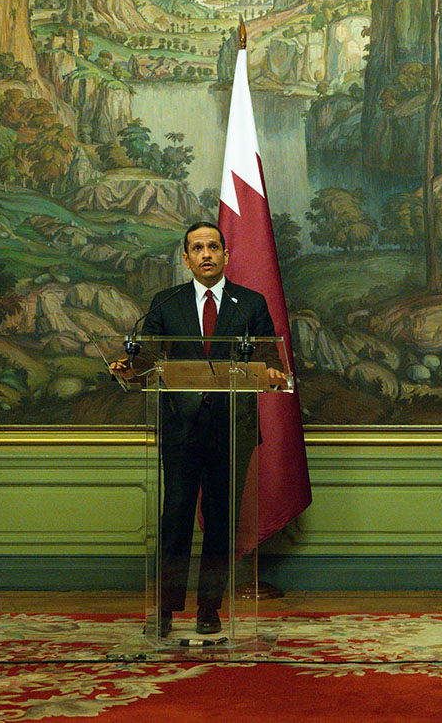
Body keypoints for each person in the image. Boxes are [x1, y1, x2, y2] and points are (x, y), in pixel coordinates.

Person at [110, 222, 286, 638]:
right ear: (186, 258)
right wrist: (129, 366)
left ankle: (210, 608)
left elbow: (266, 356)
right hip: (181, 428)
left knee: (222, 521)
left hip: (232, 426)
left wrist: (272, 370)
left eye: (213, 247)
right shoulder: (166, 303)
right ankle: (167, 611)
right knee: (176, 519)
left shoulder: (251, 303)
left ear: (226, 255)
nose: (206, 254)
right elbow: (148, 354)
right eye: (196, 248)